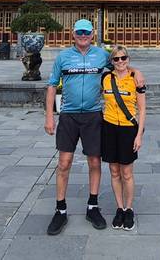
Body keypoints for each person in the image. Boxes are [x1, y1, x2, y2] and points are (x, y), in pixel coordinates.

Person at [44, 19, 108, 235]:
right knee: (64, 162)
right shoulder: (63, 57)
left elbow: (120, 67)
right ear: (73, 34)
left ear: (93, 34)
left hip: (93, 115)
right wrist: (49, 117)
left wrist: (137, 75)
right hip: (69, 116)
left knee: (94, 161)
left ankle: (92, 206)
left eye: (87, 32)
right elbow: (52, 85)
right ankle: (60, 209)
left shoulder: (101, 55)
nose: (83, 35)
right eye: (79, 32)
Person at [101, 45, 146, 231]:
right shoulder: (105, 78)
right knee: (113, 171)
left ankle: (129, 209)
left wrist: (139, 135)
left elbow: (142, 109)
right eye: (116, 59)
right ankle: (119, 207)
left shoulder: (135, 79)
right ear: (111, 62)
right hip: (109, 127)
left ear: (128, 59)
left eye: (124, 58)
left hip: (128, 129)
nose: (120, 62)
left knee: (126, 172)